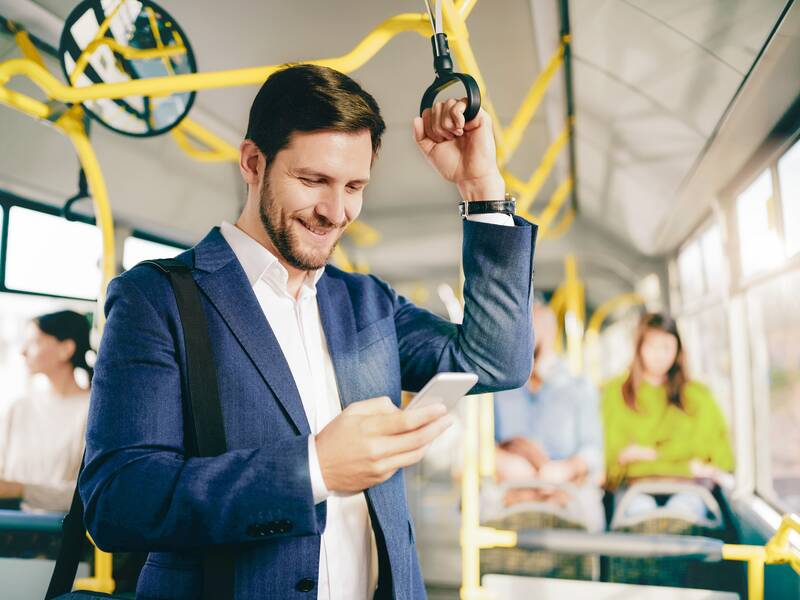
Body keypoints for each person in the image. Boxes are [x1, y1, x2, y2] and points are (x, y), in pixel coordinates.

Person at [81, 64, 537, 600]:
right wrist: (313, 468)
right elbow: (120, 501)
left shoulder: (367, 302)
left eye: (354, 186)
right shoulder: (156, 298)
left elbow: (496, 360)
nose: (335, 211)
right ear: (254, 162)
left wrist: (481, 188)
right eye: (313, 180)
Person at [602, 312, 734, 517]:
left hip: (687, 488)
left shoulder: (697, 396)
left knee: (683, 512)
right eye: (652, 346)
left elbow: (718, 456)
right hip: (634, 489)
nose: (659, 355)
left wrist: (647, 455)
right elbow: (612, 460)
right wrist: (685, 463)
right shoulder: (615, 393)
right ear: (639, 348)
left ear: (678, 350)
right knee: (641, 512)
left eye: (667, 348)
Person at [493, 300, 604, 531]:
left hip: (563, 482)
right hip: (512, 483)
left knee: (586, 504)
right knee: (486, 500)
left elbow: (593, 451)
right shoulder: (497, 389)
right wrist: (503, 462)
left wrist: (566, 469)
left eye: (533, 327)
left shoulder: (578, 387)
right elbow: (480, 444)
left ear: (550, 332)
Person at [0, 310, 92, 512]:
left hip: (57, 536)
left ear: (66, 349)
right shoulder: (19, 408)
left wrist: (19, 489)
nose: (23, 351)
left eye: (34, 342)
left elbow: (87, 494)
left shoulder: (91, 412)